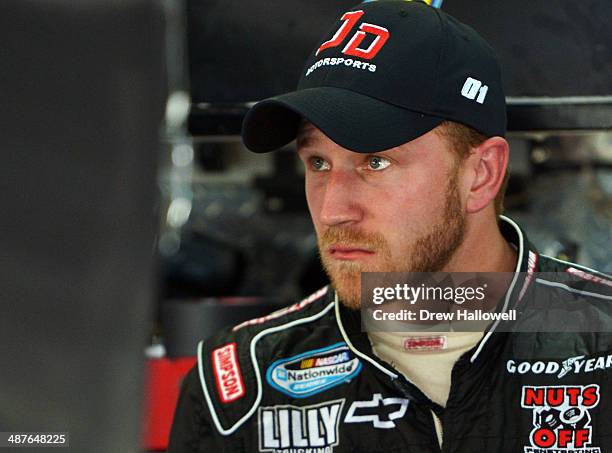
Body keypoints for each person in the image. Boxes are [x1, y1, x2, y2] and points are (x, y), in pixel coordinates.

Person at [168, 2, 612, 452]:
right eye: (318, 162)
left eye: (376, 162)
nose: (333, 210)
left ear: (481, 174)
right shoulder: (239, 389)